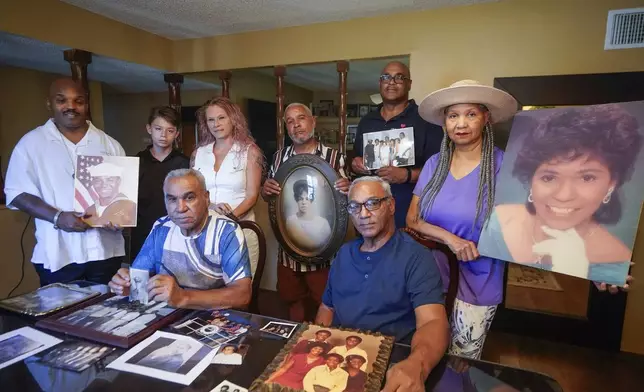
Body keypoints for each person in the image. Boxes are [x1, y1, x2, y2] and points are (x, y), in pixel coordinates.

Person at [406, 79, 518, 359]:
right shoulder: (434, 164)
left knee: (460, 363)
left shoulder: (504, 165)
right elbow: (413, 220)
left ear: (486, 118)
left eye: (471, 114)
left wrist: (598, 266)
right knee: (425, 354)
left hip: (479, 281)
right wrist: (450, 239)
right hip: (429, 280)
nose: (461, 123)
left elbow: (531, 223)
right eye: (453, 115)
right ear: (445, 122)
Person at [479, 104, 642, 285]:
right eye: (549, 177)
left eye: (587, 178)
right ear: (531, 180)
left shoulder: (614, 260)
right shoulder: (497, 222)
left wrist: (582, 271)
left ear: (612, 184)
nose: (564, 195)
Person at [316, 176, 449, 392]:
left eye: (372, 203)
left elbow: (433, 323)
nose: (363, 214)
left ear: (391, 205)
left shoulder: (416, 257)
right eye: (355, 206)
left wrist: (418, 364)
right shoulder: (344, 254)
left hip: (391, 366)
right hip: (339, 363)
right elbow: (326, 308)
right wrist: (319, 348)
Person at [4, 78, 126, 286]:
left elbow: (122, 196)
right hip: (59, 254)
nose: (71, 106)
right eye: (62, 100)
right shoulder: (31, 144)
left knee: (107, 312)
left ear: (86, 104)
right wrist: (57, 217)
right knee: (60, 316)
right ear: (49, 104)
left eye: (78, 101)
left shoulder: (109, 144)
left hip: (105, 251)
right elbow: (17, 193)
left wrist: (119, 218)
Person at [108, 169, 252, 310]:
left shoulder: (226, 231)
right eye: (172, 199)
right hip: (167, 314)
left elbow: (242, 295)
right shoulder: (161, 228)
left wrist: (183, 297)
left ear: (206, 198)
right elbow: (139, 278)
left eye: (189, 197)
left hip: (210, 316)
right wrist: (127, 285)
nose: (180, 208)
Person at [261, 102, 350, 322]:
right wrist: (265, 190)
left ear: (313, 121)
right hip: (288, 250)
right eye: (289, 121)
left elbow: (345, 200)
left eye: (300, 118)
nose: (296, 125)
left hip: (324, 251)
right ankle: (293, 345)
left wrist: (349, 188)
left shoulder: (334, 157)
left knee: (325, 303)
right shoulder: (278, 158)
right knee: (291, 300)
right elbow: (271, 197)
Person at [351, 61, 443, 228]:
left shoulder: (426, 120)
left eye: (399, 77)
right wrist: (355, 163)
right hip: (370, 213)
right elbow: (355, 155)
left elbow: (439, 169)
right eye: (386, 77)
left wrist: (407, 175)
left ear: (409, 84)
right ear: (380, 83)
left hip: (410, 212)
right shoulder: (367, 121)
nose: (391, 82)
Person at [192, 97, 263, 275]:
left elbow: (252, 196)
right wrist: (210, 208)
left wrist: (227, 219)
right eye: (211, 120)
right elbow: (193, 193)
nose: (216, 124)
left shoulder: (250, 151)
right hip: (205, 230)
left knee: (242, 288)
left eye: (221, 118)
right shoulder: (199, 153)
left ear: (233, 119)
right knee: (208, 289)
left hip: (242, 228)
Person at [132, 106, 189, 259]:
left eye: (170, 131)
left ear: (176, 134)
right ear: (149, 129)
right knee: (142, 279)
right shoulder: (136, 162)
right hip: (143, 233)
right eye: (158, 128)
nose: (163, 135)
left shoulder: (185, 164)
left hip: (177, 233)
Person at [84, 162, 137, 227]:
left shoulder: (130, 207)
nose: (104, 185)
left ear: (118, 181)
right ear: (93, 183)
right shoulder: (89, 210)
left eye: (109, 180)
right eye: (98, 181)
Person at [285, 179, 333, 251]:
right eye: (301, 199)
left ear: (311, 200)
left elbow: (328, 247)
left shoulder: (323, 223)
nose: (304, 202)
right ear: (296, 200)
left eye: (307, 199)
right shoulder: (291, 220)